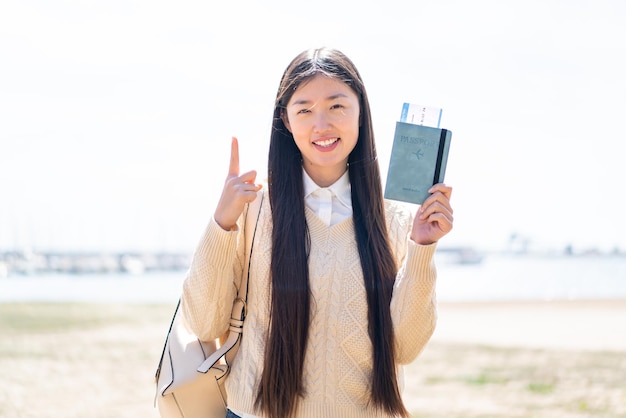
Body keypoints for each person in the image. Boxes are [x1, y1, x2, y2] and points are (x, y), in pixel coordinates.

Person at [181, 47, 454, 418]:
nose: (321, 125)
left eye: (337, 106)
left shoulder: (397, 222)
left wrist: (422, 247)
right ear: (286, 120)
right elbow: (204, 324)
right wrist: (222, 223)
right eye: (304, 110)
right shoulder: (252, 208)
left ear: (361, 112)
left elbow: (404, 348)